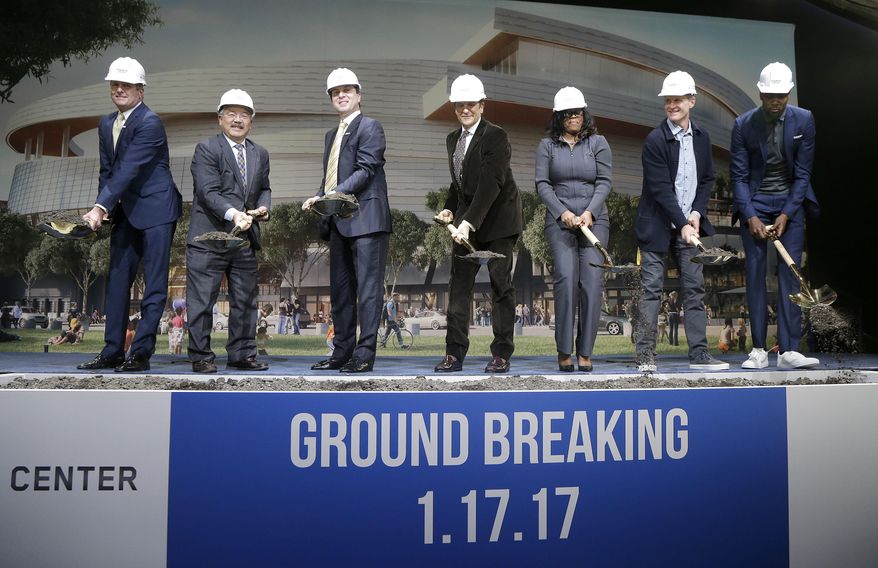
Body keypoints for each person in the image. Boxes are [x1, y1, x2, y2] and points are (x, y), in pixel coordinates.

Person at [77, 57, 182, 373]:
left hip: (157, 210)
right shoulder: (106, 123)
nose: (119, 89)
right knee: (118, 281)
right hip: (124, 212)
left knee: (154, 286)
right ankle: (111, 351)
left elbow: (128, 169)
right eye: (115, 84)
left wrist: (99, 208)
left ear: (141, 89)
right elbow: (108, 171)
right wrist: (104, 208)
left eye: (126, 85)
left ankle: (140, 354)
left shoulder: (150, 123)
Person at [633, 70, 729, 373]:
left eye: (678, 99)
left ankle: (699, 355)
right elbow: (660, 189)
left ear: (692, 101)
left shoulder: (702, 138)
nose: (672, 104)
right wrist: (682, 223)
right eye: (668, 100)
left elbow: (707, 179)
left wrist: (696, 215)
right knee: (651, 290)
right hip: (657, 226)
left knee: (695, 290)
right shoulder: (655, 140)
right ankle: (645, 356)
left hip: (690, 225)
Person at [731, 62, 820, 370]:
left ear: (789, 92)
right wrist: (751, 215)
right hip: (755, 202)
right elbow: (739, 177)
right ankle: (757, 349)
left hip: (789, 204)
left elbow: (804, 173)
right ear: (760, 92)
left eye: (781, 95)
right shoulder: (743, 124)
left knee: (790, 277)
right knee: (755, 274)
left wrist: (787, 213)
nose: (775, 100)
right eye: (770, 94)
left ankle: (789, 350)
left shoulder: (804, 120)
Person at [303, 68, 392, 373]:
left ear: (358, 95)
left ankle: (364, 355)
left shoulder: (371, 127)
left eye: (346, 90)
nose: (340, 95)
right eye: (335, 92)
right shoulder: (331, 135)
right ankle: (341, 353)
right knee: (341, 293)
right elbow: (331, 179)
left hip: (367, 220)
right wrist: (317, 196)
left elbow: (365, 171)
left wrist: (328, 196)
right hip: (339, 223)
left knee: (368, 292)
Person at [433, 74, 523, 374]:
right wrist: (448, 210)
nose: (465, 109)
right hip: (465, 223)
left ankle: (501, 354)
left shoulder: (496, 136)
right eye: (460, 105)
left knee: (501, 286)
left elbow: (490, 184)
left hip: (499, 223)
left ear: (482, 106)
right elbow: (460, 185)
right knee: (458, 287)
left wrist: (468, 222)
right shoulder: (452, 140)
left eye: (471, 104)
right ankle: (454, 355)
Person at [185, 89, 271, 373]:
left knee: (245, 301)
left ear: (251, 121)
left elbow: (264, 188)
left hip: (243, 241)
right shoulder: (207, 149)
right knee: (201, 302)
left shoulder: (260, 153)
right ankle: (201, 357)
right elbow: (207, 192)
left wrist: (263, 207)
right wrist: (235, 214)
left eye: (244, 115)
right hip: (209, 239)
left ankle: (242, 355)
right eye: (231, 114)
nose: (238, 120)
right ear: (220, 119)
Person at [536, 86, 611, 372]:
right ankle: (564, 350)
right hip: (560, 222)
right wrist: (563, 212)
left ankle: (586, 352)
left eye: (578, 112)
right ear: (558, 116)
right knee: (566, 279)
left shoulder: (598, 143)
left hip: (595, 221)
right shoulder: (547, 146)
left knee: (591, 284)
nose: (574, 117)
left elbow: (604, 181)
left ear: (584, 113)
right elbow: (542, 184)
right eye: (568, 113)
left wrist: (590, 211)